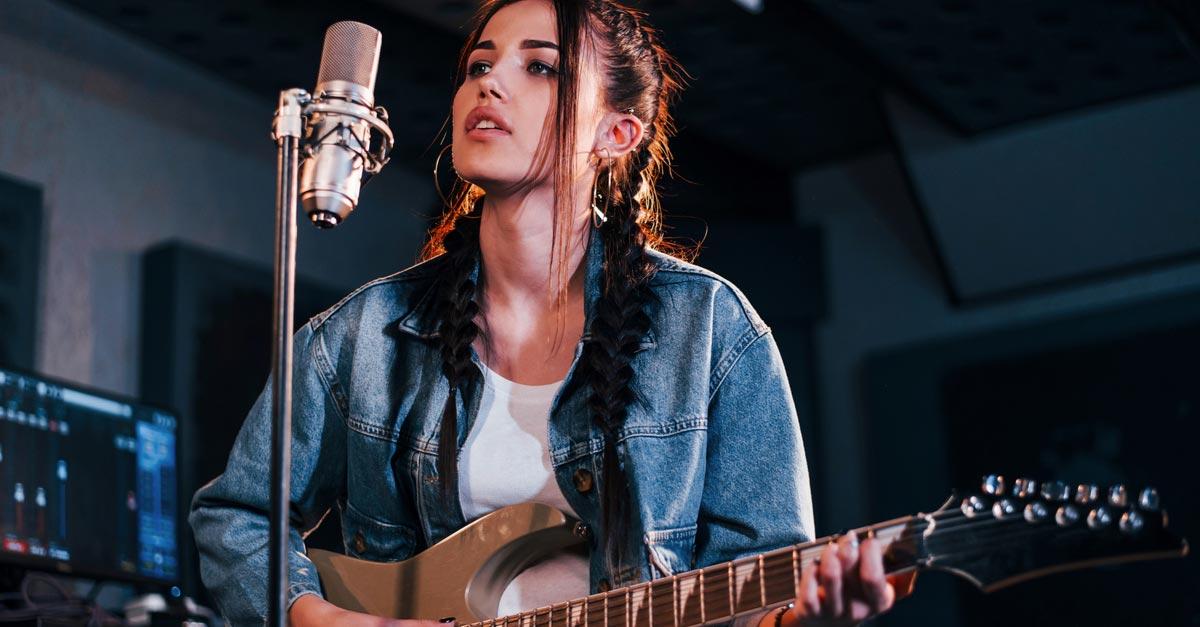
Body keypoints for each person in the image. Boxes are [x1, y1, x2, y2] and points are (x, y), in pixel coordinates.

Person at [190, 1, 907, 625]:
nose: (489, 82)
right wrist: (327, 621)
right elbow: (237, 516)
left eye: (541, 68)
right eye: (478, 64)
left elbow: (762, 584)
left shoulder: (712, 330)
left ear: (616, 135)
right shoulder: (360, 336)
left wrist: (812, 616)